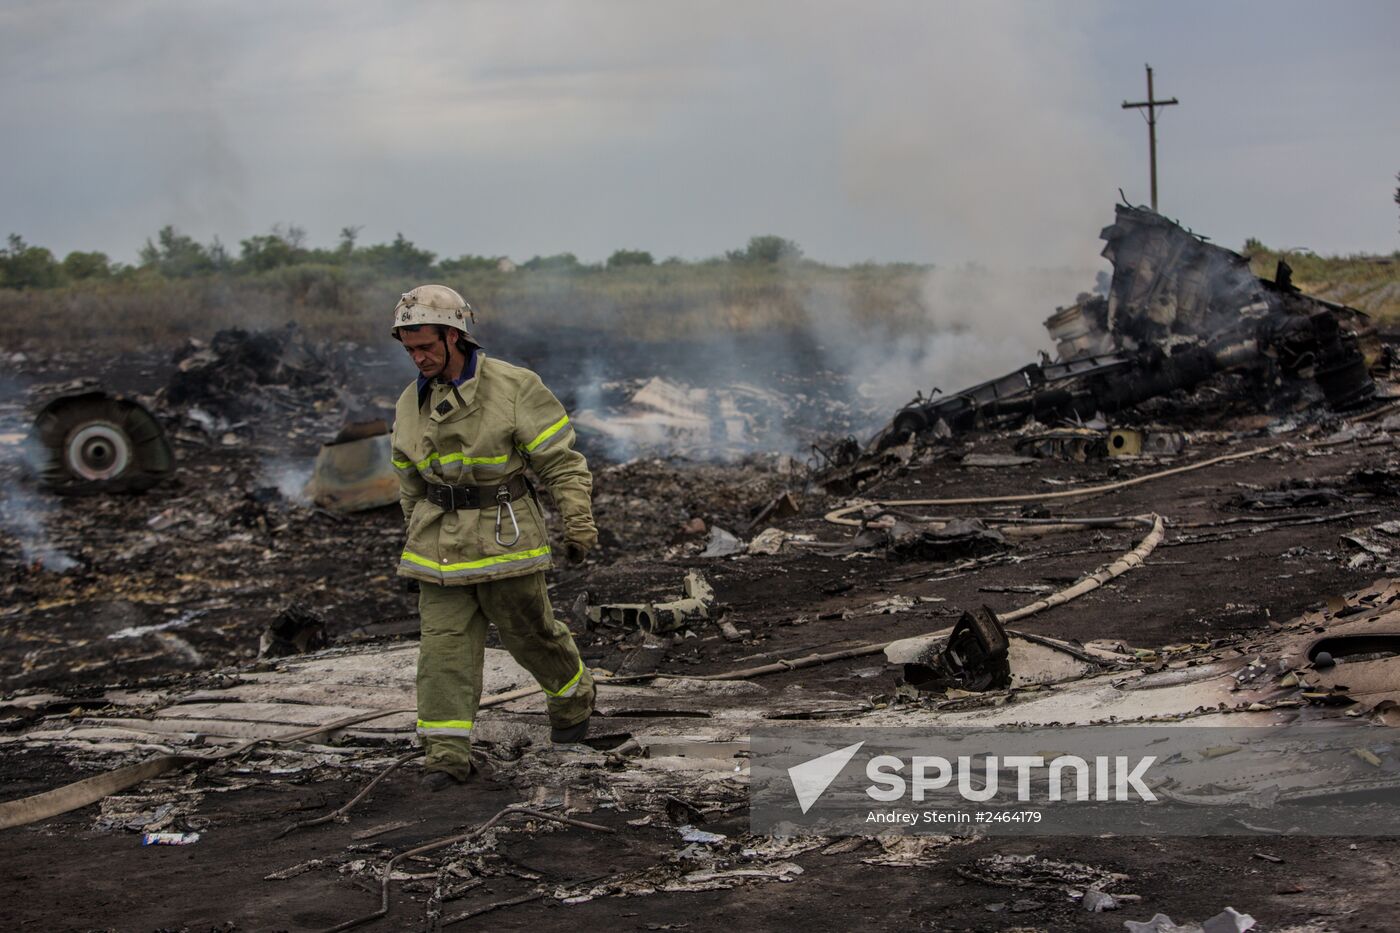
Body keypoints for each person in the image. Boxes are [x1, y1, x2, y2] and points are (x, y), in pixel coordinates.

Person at [388, 284, 597, 791]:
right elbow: (408, 481)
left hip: (506, 539)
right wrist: (414, 539)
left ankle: (572, 707)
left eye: (426, 347)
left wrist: (577, 522)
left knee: (534, 636)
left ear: (455, 336)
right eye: (410, 349)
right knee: (442, 652)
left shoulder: (514, 386)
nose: (418, 359)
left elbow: (561, 463)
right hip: (439, 549)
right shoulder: (410, 402)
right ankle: (445, 758)